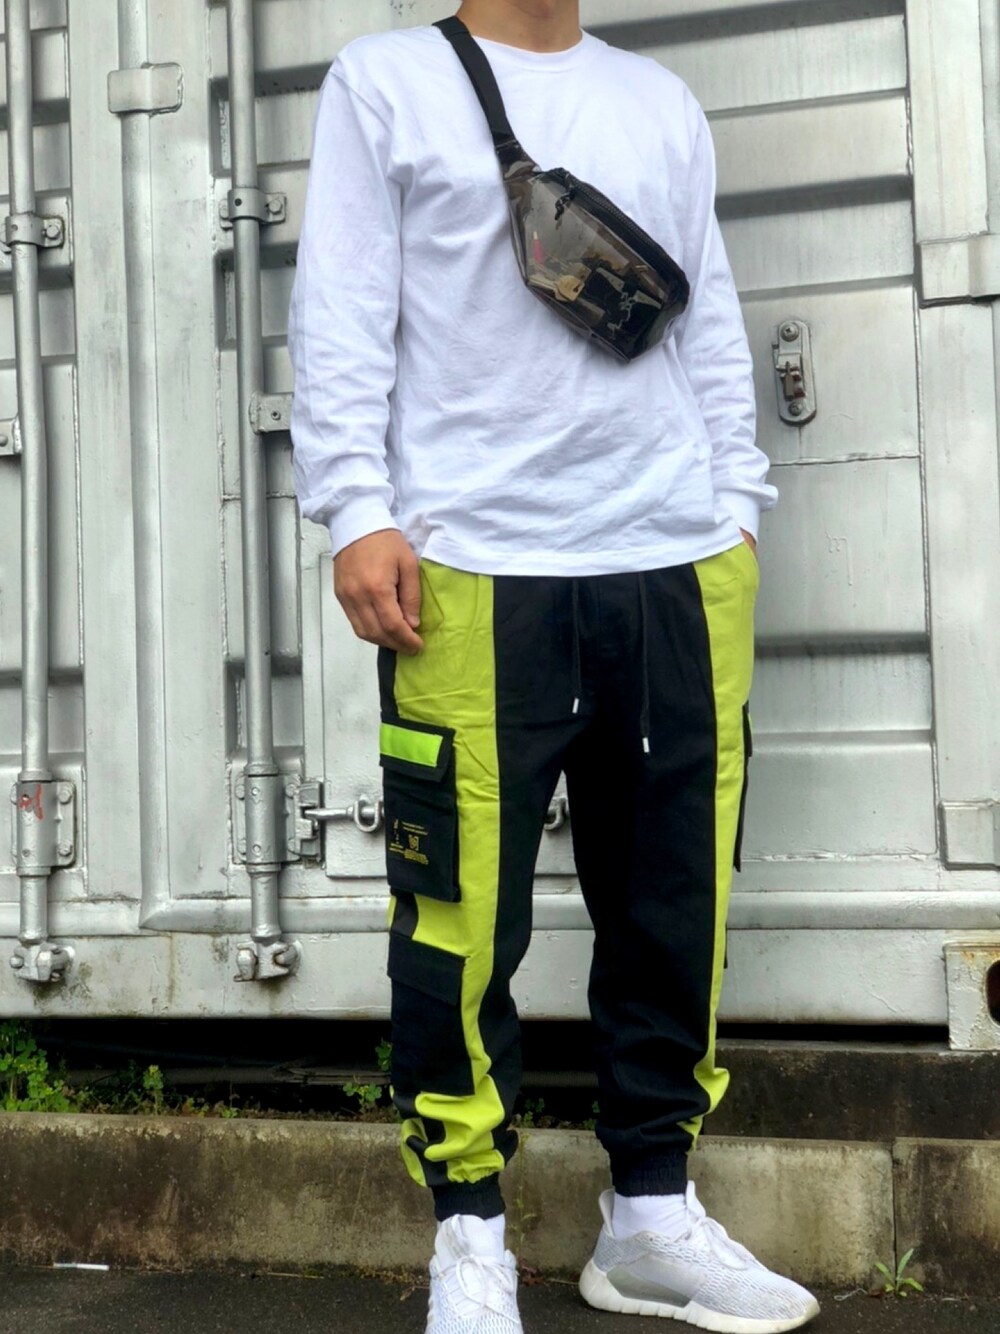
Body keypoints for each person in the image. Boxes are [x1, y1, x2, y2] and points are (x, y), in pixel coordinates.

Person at [289, 2, 820, 1330]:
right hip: (472, 567)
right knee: (459, 921)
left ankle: (650, 1215)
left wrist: (736, 506)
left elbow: (705, 315)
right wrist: (356, 507)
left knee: (674, 903)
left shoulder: (658, 102)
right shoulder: (386, 82)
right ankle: (469, 1230)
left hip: (676, 560)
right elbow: (341, 309)